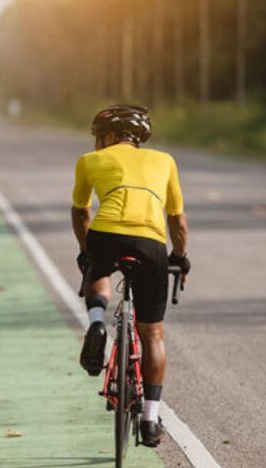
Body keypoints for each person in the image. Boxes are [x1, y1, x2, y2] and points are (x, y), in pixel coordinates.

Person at [73, 104, 189, 448]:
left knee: (96, 268)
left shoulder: (88, 162)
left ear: (110, 137)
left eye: (99, 137)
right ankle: (151, 418)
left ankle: (96, 321)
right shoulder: (165, 161)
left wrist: (86, 250)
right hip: (150, 243)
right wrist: (179, 258)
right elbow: (177, 222)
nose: (96, 143)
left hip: (105, 234)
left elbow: (80, 212)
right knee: (152, 334)